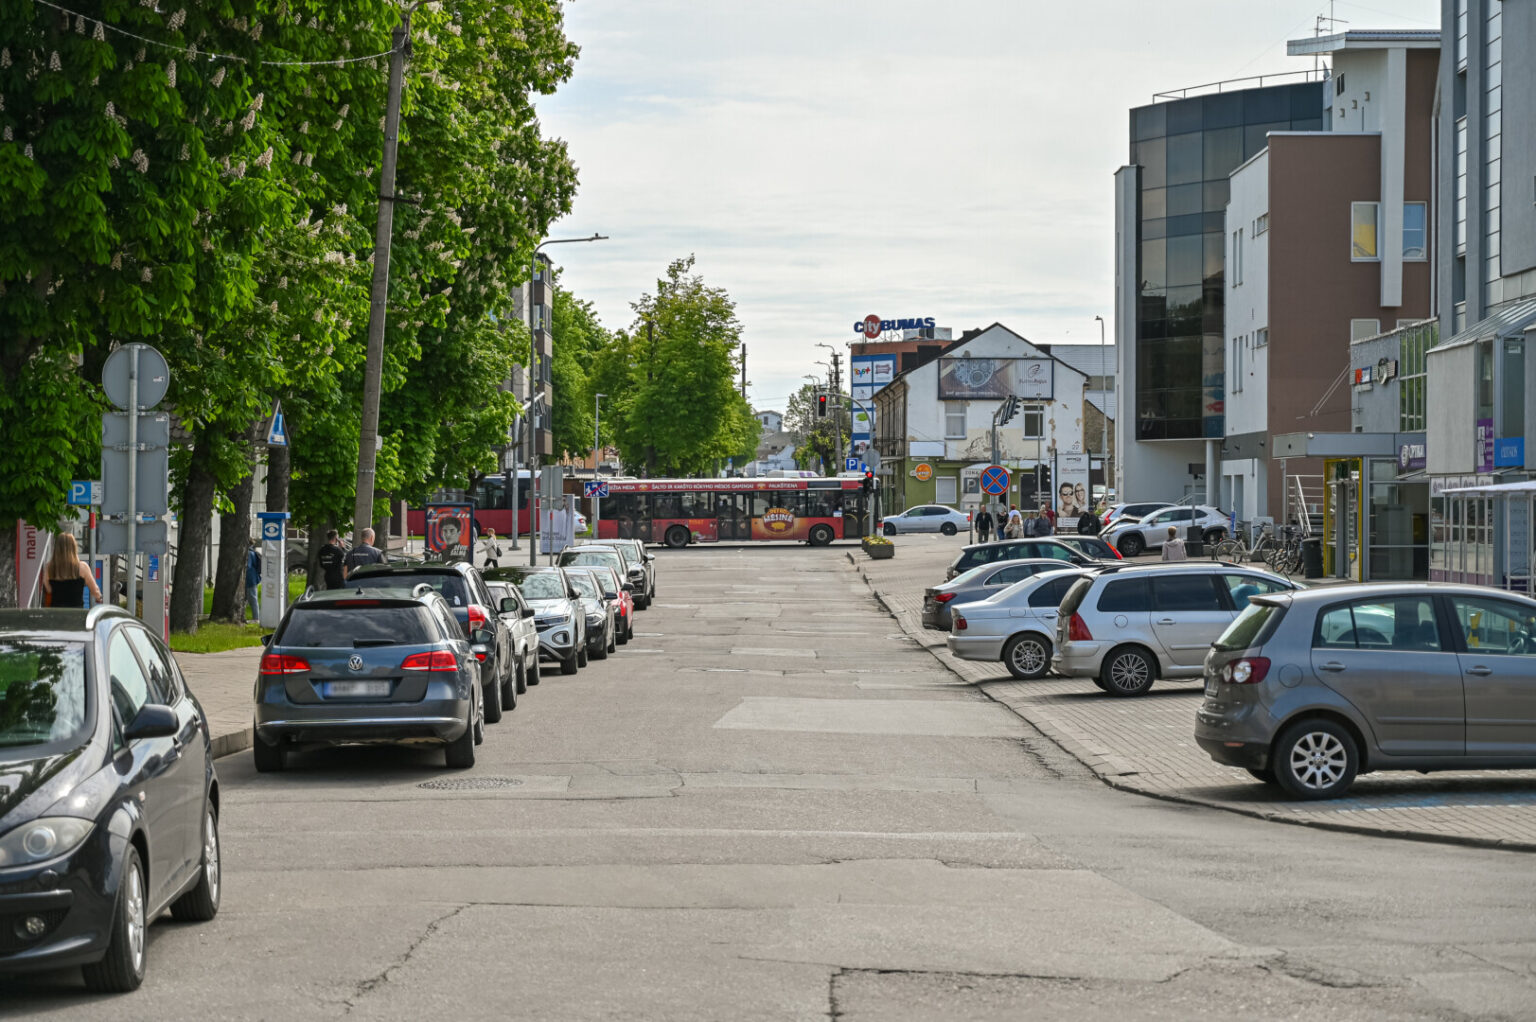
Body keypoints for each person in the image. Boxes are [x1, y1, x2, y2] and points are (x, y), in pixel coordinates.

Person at [41, 533, 103, 608]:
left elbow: (48, 589)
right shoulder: (82, 567)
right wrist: (99, 597)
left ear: (56, 548)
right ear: (74, 547)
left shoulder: (49, 567)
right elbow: (94, 590)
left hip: (56, 612)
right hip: (76, 613)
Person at [245, 542, 261, 621]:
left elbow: (247, 566)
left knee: (253, 599)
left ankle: (256, 618)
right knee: (247, 599)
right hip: (253, 578)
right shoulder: (252, 552)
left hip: (250, 579)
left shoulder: (249, 553)